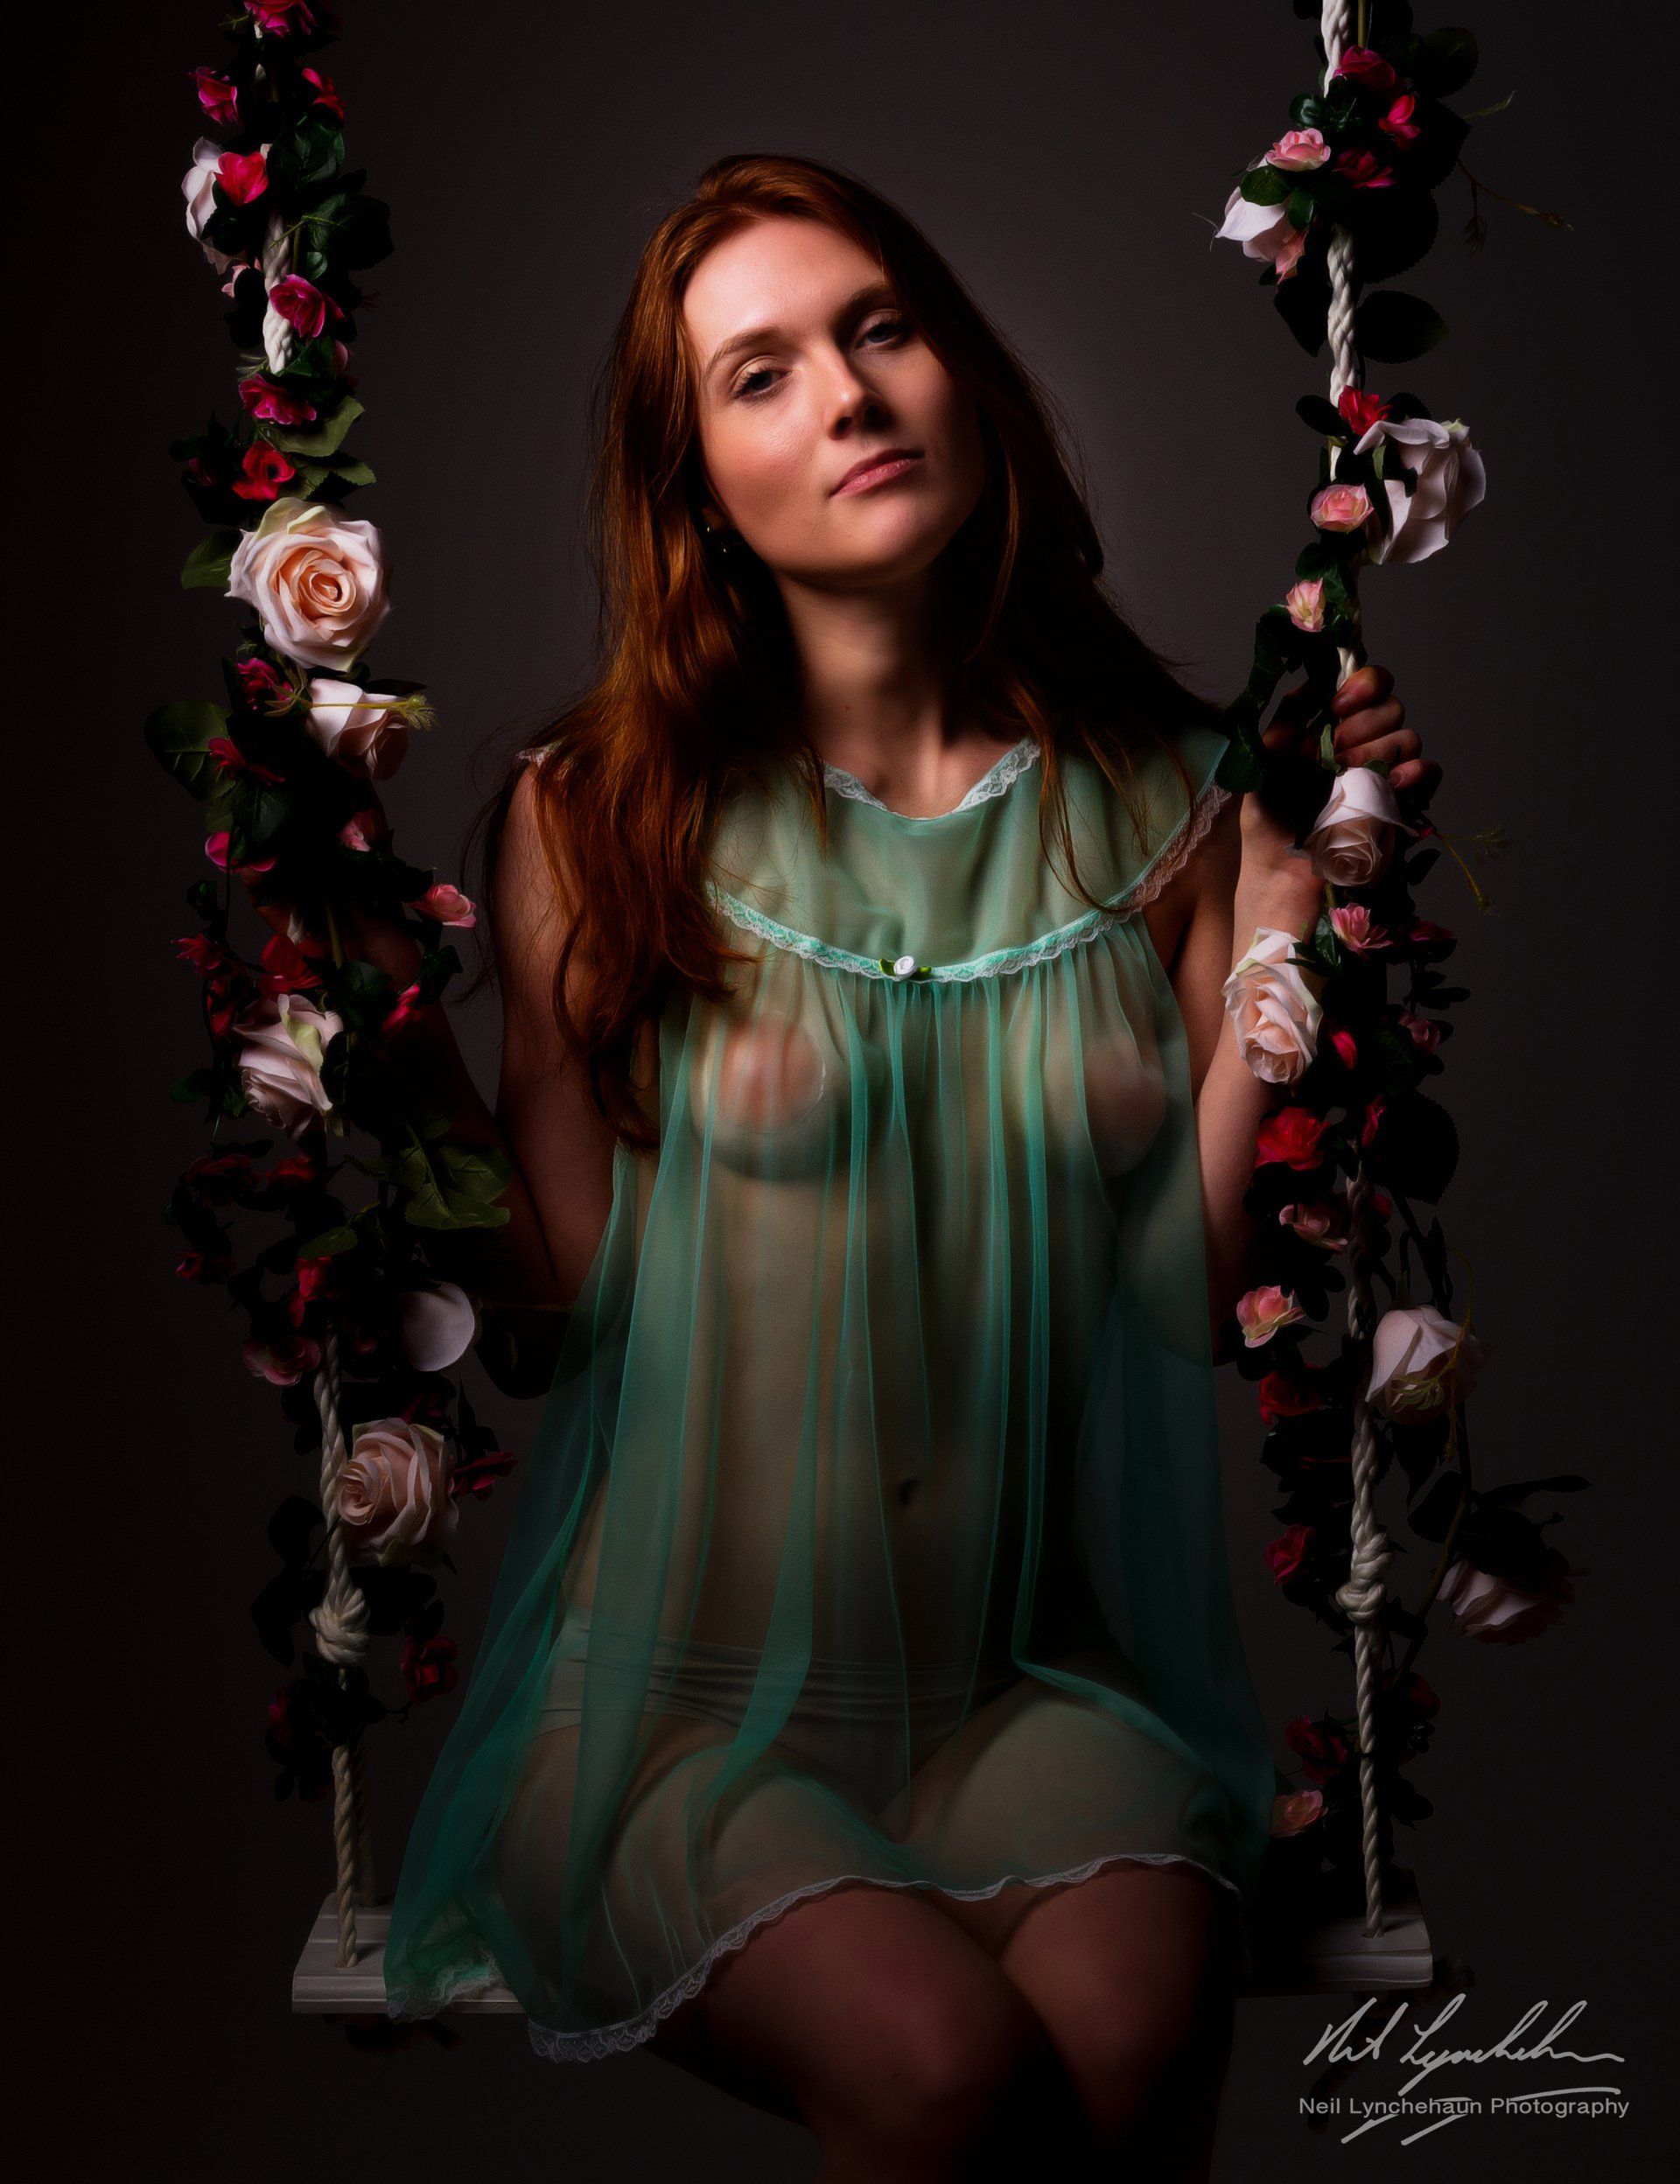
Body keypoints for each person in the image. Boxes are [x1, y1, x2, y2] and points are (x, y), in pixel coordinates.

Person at [287, 154, 1437, 2181]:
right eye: (761, 373)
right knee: (937, 2076)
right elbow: (553, 1313)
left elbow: (1188, 1294)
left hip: (1025, 1696)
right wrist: (383, 1024)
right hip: (674, 1717)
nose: (847, 394)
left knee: (1134, 2048)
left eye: (880, 328)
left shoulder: (1174, 812)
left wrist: (1285, 925)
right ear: (698, 486)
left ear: (963, 372)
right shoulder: (598, 818)